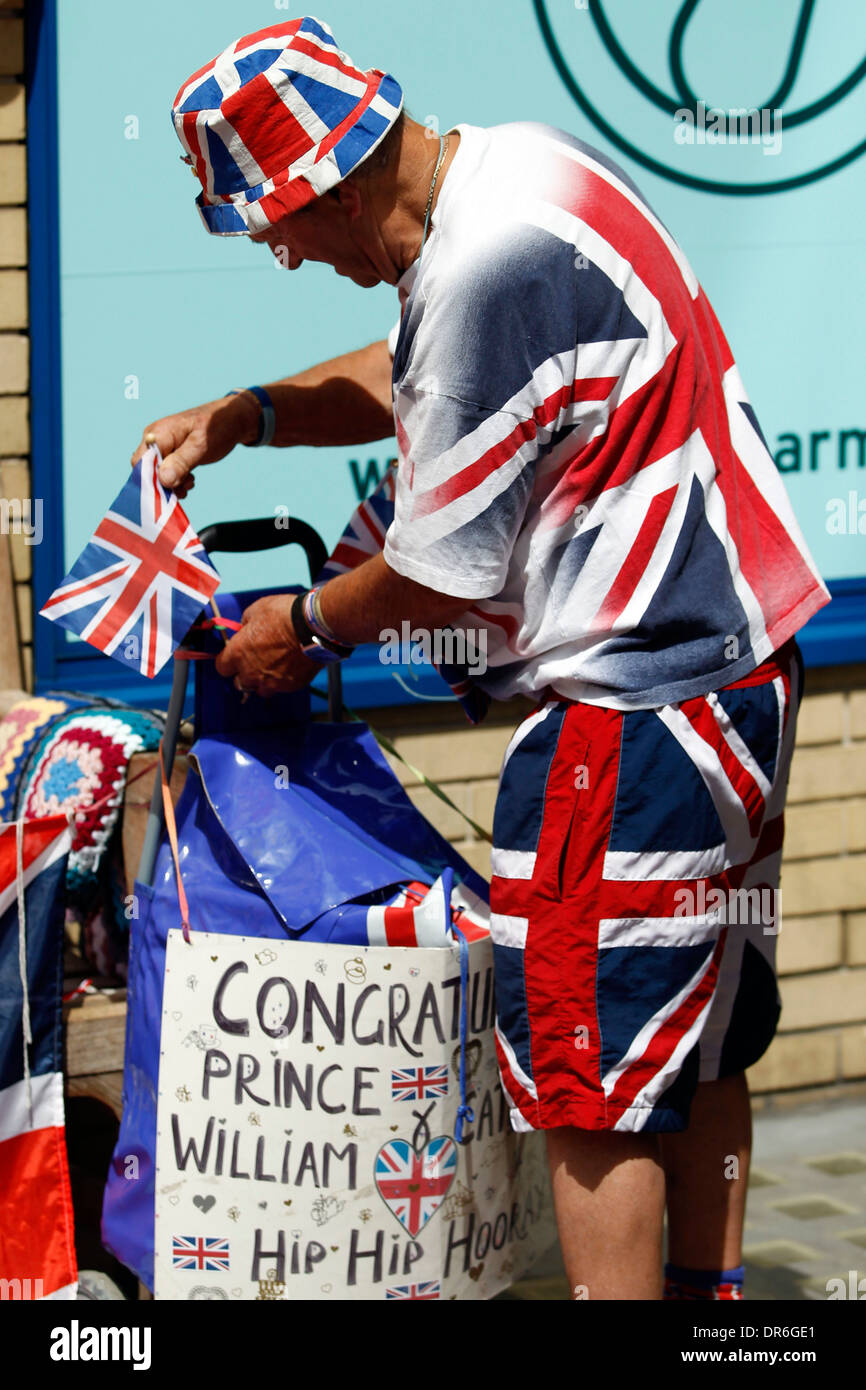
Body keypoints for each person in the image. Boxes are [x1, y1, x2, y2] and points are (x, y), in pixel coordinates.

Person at [133, 16, 830, 1300]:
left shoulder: (479, 271)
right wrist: (253, 415)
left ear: (333, 176)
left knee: (587, 1086)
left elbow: (431, 572)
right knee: (699, 1046)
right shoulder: (512, 174)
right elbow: (415, 377)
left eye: (276, 220)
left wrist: (300, 626)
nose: (281, 251)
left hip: (631, 713)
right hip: (737, 668)